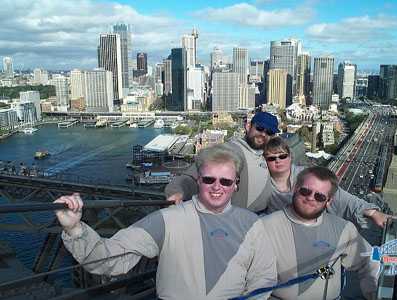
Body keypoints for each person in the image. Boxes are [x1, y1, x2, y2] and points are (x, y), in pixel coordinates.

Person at [54, 144, 277, 300]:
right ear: (198, 180)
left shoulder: (251, 223)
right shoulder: (167, 219)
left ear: (235, 184)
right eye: (209, 179)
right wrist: (74, 229)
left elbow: (264, 275)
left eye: (225, 181)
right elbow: (111, 259)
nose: (217, 187)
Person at [262, 166, 378, 300]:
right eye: (305, 191)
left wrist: (373, 292)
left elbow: (370, 259)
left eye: (319, 196)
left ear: (328, 201)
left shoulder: (343, 228)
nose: (311, 198)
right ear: (295, 189)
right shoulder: (265, 227)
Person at [165, 111, 279, 212]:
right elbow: (194, 175)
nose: (263, 134)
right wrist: (177, 191)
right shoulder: (232, 150)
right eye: (259, 128)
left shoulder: (269, 154)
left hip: (260, 220)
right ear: (248, 126)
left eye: (269, 132)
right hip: (237, 221)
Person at [263, 136, 390, 227]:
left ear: (290, 157)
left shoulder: (308, 175)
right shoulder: (261, 184)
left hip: (316, 230)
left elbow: (340, 196)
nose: (278, 161)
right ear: (265, 161)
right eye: (271, 158)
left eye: (282, 156)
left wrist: (372, 212)